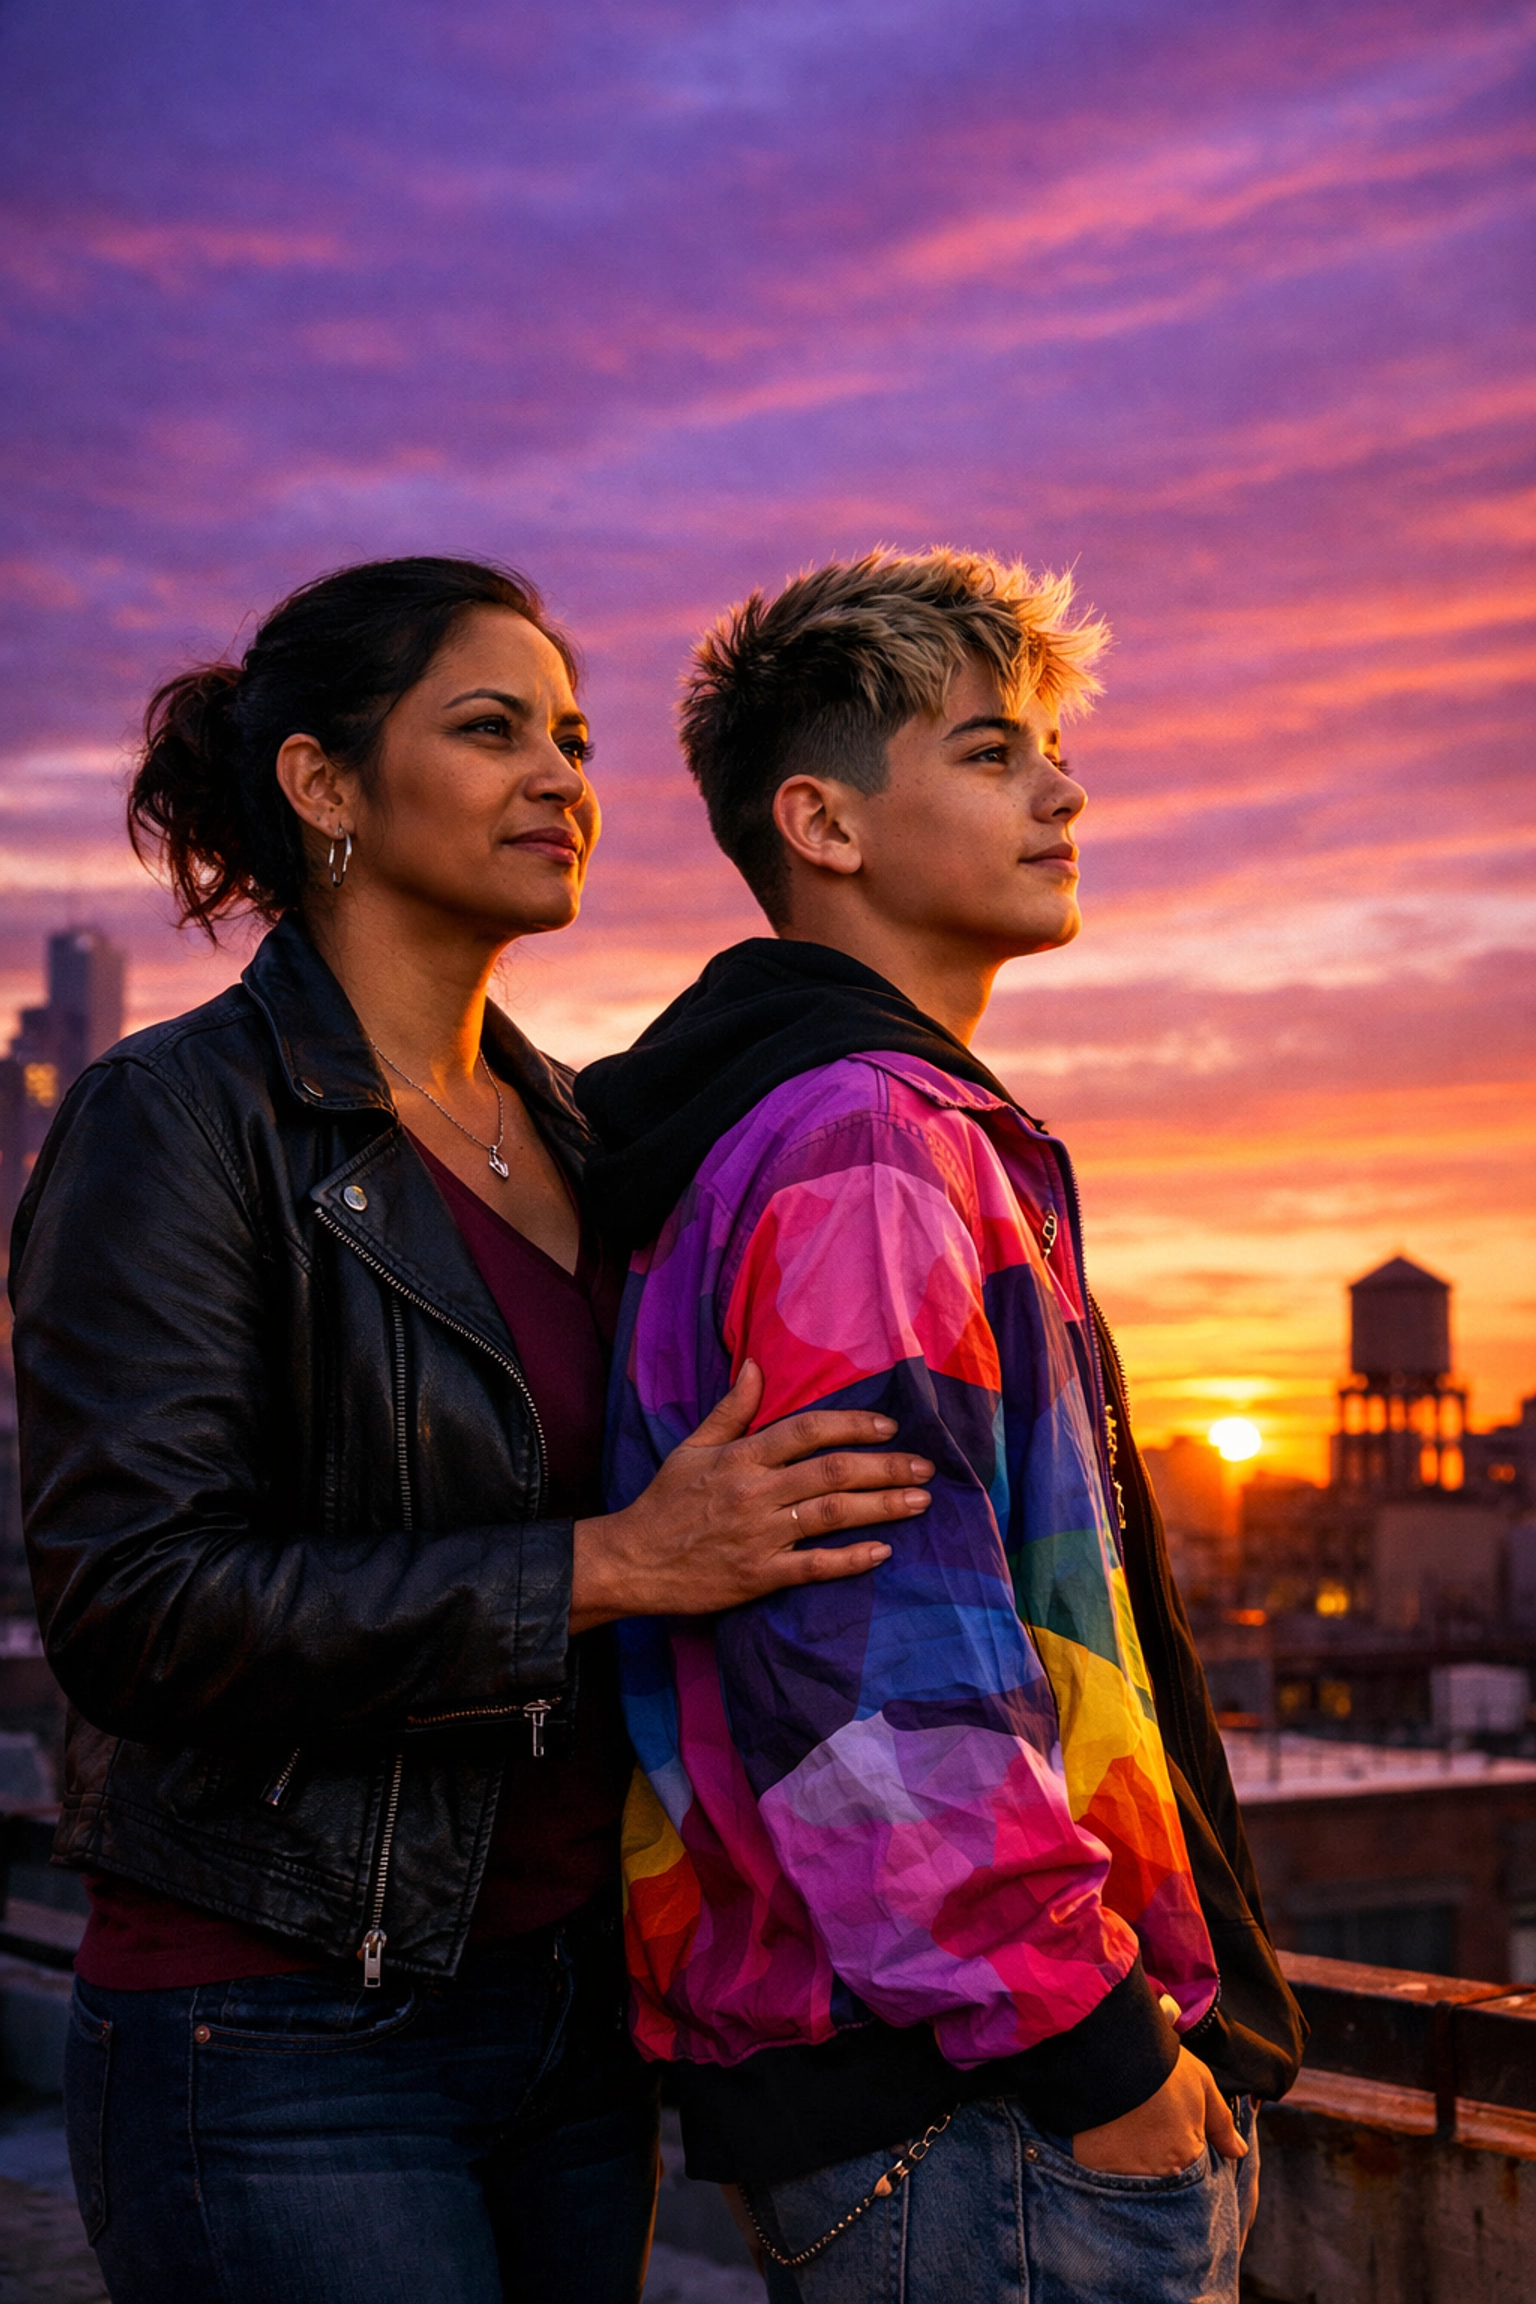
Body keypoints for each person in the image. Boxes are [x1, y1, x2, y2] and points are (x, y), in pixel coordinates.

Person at [8, 556, 937, 2304]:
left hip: (576, 2020)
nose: (561, 779)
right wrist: (608, 1566)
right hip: (279, 2024)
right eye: (491, 728)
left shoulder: (585, 1132)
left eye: (574, 739)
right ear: (323, 783)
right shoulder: (177, 1123)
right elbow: (133, 1606)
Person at [577, 550, 1305, 2304]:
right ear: (821, 823)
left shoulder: (808, 1123)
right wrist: (1099, 2058)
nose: (1062, 791)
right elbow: (873, 1674)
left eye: (1052, 749)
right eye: (990, 752)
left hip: (919, 2080)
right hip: (981, 2104)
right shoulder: (865, 1148)